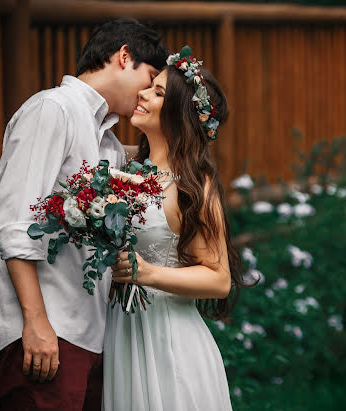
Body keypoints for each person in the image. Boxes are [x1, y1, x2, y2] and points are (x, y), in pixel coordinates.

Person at [0, 19, 168, 409]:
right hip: (44, 334)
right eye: (150, 78)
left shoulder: (108, 143)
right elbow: (13, 222)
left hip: (92, 336)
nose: (146, 94)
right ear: (124, 57)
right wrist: (35, 322)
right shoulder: (52, 110)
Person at [103, 46, 246, 411]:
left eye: (158, 92)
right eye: (150, 87)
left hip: (170, 340)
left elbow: (219, 279)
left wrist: (148, 272)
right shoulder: (126, 162)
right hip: (122, 332)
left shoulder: (195, 186)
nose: (143, 93)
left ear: (180, 114)